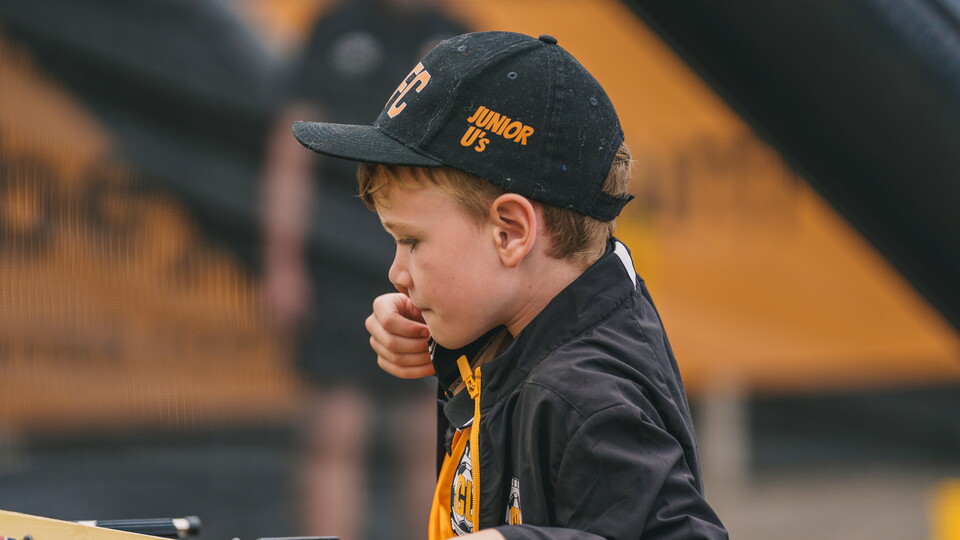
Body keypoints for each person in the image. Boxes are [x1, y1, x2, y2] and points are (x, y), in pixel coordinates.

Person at [291, 31, 728, 539]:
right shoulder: (531, 319)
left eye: (410, 241)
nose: (396, 271)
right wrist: (434, 340)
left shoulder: (588, 397)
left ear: (511, 233)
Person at [260, 1, 467, 539]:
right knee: (335, 428)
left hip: (428, 256)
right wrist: (283, 263)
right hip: (333, 264)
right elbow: (292, 151)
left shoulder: (453, 35)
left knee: (427, 431)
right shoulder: (335, 29)